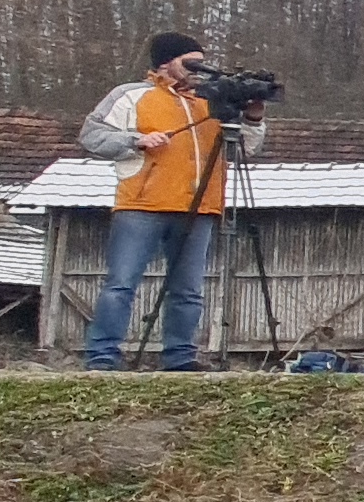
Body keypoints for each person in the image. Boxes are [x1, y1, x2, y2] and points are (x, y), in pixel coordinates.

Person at [80, 31, 261, 371]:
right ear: (165, 63)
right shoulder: (132, 96)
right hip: (142, 204)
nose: (199, 70)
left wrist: (252, 118)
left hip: (200, 206)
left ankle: (180, 357)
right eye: (191, 62)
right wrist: (136, 140)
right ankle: (102, 357)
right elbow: (91, 135)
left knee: (189, 290)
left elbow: (245, 148)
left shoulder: (212, 102)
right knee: (121, 284)